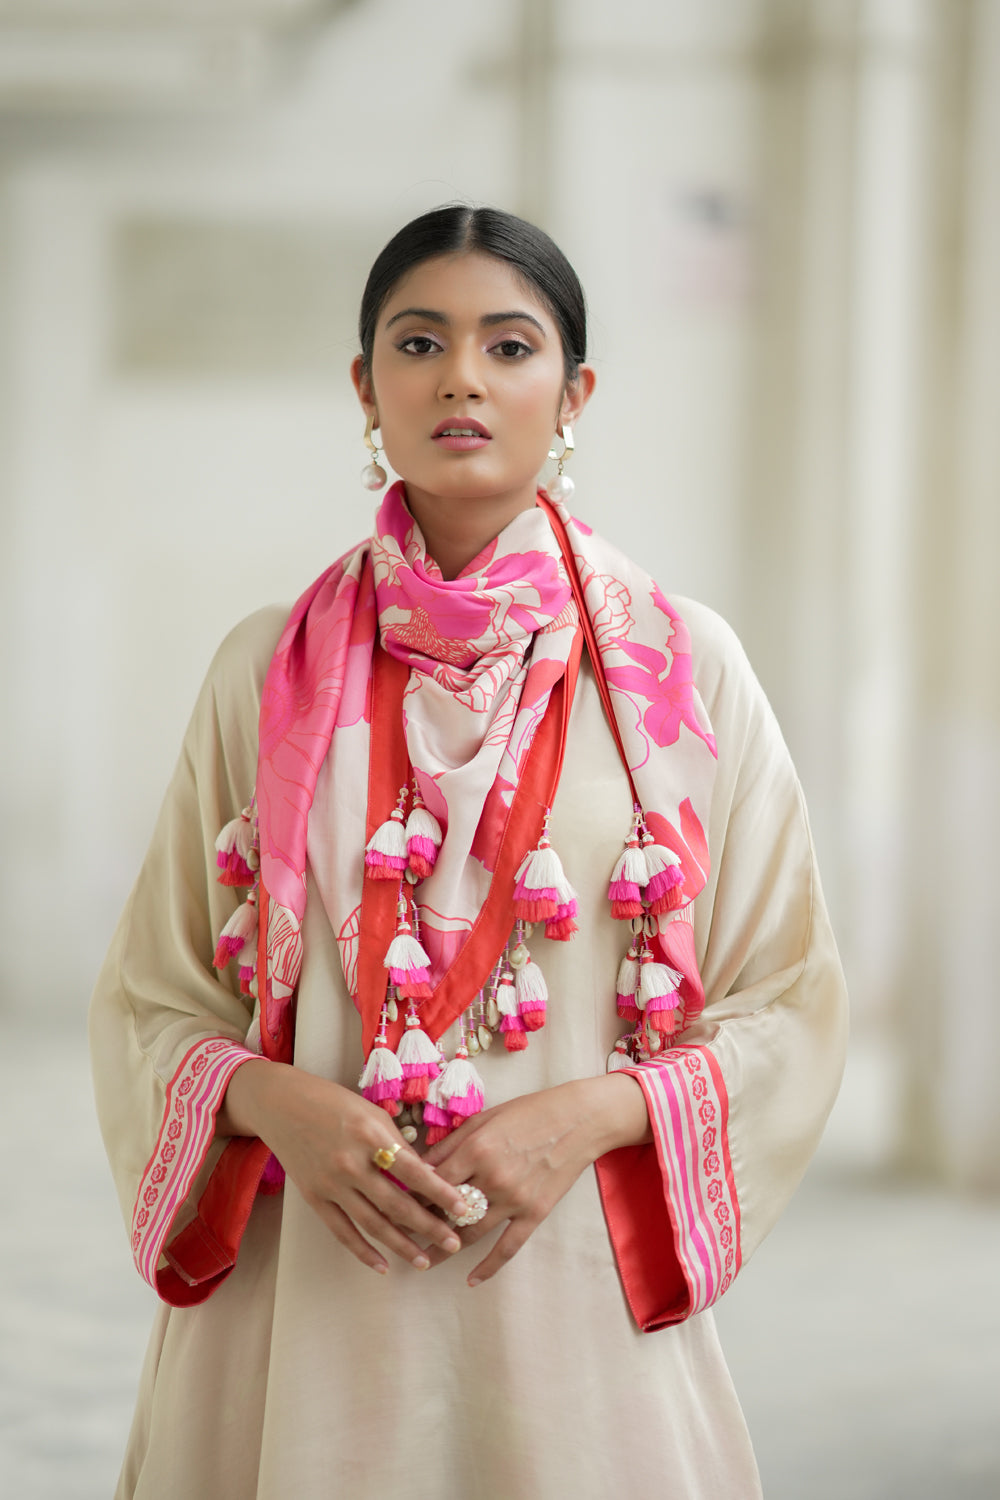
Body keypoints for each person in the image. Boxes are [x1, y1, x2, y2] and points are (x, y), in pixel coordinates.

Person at [90, 204, 847, 1499]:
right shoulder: (265, 672)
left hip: (562, 1278)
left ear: (574, 392)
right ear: (365, 388)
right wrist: (271, 1103)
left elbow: (790, 1001)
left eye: (510, 346)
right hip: (301, 1297)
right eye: (420, 342)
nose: (462, 379)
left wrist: (592, 1117)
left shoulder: (681, 673)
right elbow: (154, 997)